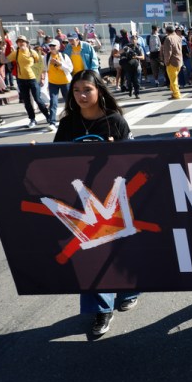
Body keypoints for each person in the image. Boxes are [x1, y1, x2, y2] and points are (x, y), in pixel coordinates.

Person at [53, 70, 139, 336]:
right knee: (90, 254)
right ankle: (101, 310)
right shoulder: (68, 124)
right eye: (76, 90)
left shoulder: (115, 121)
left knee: (120, 250)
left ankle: (130, 288)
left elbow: (131, 161)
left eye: (87, 89)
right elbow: (54, 157)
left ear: (99, 90)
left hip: (114, 198)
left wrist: (115, 152)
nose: (81, 95)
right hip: (81, 201)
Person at [7, 35, 52, 129]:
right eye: (19, 41)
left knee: (38, 99)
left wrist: (42, 77)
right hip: (21, 79)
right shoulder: (16, 52)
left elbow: (41, 65)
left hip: (33, 78)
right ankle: (32, 119)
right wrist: (3, 49)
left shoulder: (33, 52)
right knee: (26, 101)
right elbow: (4, 60)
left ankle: (48, 116)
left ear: (26, 43)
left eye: (22, 41)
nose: (21, 43)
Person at [44, 40, 73, 127]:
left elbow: (70, 69)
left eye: (54, 46)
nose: (52, 47)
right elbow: (44, 68)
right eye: (51, 46)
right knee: (53, 102)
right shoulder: (47, 57)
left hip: (65, 82)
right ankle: (52, 122)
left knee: (69, 102)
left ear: (59, 47)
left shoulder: (64, 56)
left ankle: (73, 118)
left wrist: (59, 64)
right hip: (53, 83)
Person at [160, 25, 183, 100]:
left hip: (172, 62)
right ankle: (174, 93)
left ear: (167, 31)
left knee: (173, 80)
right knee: (174, 78)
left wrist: (166, 62)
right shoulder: (178, 37)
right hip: (179, 60)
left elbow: (167, 52)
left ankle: (176, 95)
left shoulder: (168, 38)